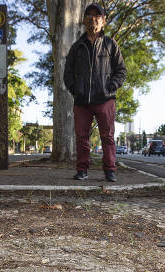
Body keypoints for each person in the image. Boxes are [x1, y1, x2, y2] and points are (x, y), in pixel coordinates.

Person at [64, 3, 127, 182]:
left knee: (107, 137)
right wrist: (75, 89)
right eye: (89, 15)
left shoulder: (110, 44)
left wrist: (112, 86)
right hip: (82, 101)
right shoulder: (77, 47)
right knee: (81, 137)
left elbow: (121, 70)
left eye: (97, 16)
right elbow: (67, 72)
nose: (93, 19)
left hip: (105, 99)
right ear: (84, 20)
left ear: (103, 21)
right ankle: (82, 170)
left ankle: (110, 170)